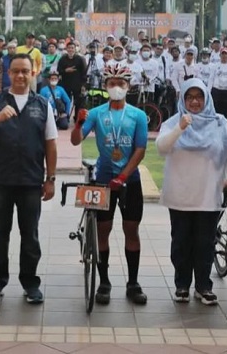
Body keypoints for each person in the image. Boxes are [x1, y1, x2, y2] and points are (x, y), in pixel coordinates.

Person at [0, 54, 57, 305]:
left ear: (33, 74)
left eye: (25, 71)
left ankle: (30, 284)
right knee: (0, 234)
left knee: (30, 235)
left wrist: (50, 178)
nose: (21, 75)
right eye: (16, 71)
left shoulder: (42, 104)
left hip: (31, 182)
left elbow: (51, 144)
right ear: (8, 74)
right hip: (0, 180)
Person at [156, 78, 227, 305]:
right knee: (181, 242)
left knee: (205, 243)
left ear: (206, 98)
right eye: (190, 97)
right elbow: (161, 148)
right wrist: (180, 128)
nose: (194, 102)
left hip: (209, 194)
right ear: (183, 99)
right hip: (180, 194)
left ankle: (203, 286)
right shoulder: (174, 122)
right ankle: (182, 285)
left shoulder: (220, 122)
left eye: (199, 96)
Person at [70, 64, 149, 305]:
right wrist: (77, 123)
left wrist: (123, 176)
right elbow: (75, 141)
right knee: (103, 231)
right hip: (102, 178)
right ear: (105, 86)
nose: (117, 87)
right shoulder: (96, 113)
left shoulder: (138, 115)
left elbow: (140, 150)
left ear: (128, 86)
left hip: (129, 181)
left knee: (131, 230)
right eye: (112, 83)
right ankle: (103, 281)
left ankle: (133, 282)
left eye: (121, 83)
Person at [56, 42, 87, 121]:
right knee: (66, 101)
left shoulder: (80, 59)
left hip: (78, 84)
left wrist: (83, 85)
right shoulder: (62, 59)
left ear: (75, 49)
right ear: (66, 49)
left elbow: (84, 73)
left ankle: (77, 118)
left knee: (78, 102)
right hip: (66, 84)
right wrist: (65, 70)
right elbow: (58, 70)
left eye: (72, 48)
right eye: (69, 48)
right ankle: (65, 117)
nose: (71, 50)